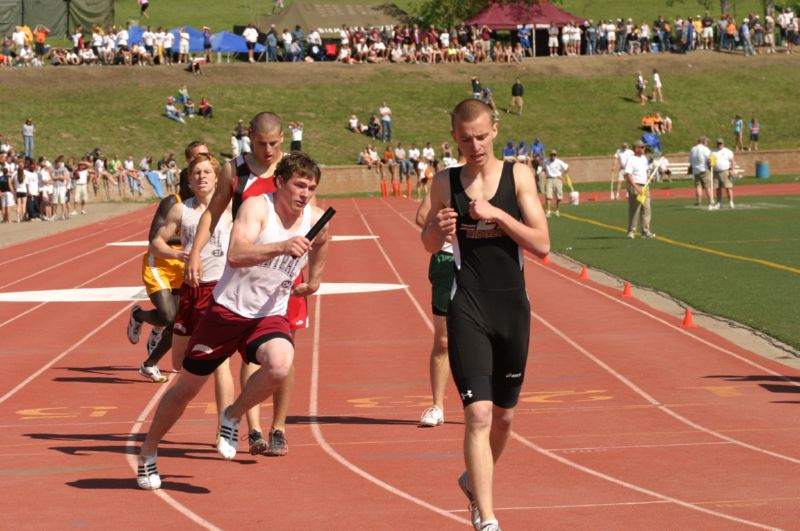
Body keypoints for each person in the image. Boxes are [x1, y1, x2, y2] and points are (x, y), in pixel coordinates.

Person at [137, 152, 329, 491]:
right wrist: (283, 246)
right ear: (280, 182)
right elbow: (237, 255)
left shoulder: (314, 218)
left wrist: (315, 279)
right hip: (226, 311)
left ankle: (233, 414)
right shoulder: (257, 208)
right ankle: (149, 453)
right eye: (299, 186)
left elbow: (323, 240)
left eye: (311, 188)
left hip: (268, 314)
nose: (305, 194)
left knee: (281, 365)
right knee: (186, 389)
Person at [421, 98, 549, 531]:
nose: (473, 146)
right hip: (468, 306)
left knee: (505, 417)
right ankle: (488, 518)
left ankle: (473, 481)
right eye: (463, 139)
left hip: (512, 308)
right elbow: (426, 239)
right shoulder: (446, 181)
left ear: (494, 130)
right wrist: (436, 230)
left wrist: (496, 214)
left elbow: (542, 243)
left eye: (480, 136)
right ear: (453, 137)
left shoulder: (519, 176)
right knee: (477, 413)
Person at [186, 112, 312, 457]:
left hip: (287, 274)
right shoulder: (235, 170)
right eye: (260, 143)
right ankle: (252, 427)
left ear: (283, 138)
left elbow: (311, 218)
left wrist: (313, 275)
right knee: (250, 353)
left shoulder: (295, 168)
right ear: (249, 138)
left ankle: (279, 428)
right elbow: (212, 212)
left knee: (284, 351)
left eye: (273, 144)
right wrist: (196, 252)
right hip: (247, 273)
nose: (267, 150)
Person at [150, 152, 236, 434]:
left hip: (220, 289)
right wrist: (180, 254)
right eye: (196, 173)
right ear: (189, 179)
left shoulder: (232, 208)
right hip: (191, 289)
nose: (201, 177)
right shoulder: (181, 210)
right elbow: (156, 244)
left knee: (220, 362)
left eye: (207, 172)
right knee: (179, 362)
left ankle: (226, 426)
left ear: (217, 178)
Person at [126, 141, 210, 383]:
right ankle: (140, 316)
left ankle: (150, 363)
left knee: (178, 321)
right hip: (160, 264)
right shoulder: (172, 203)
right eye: (191, 182)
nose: (196, 185)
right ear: (184, 183)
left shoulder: (203, 204)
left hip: (183, 267)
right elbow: (153, 239)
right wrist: (179, 250)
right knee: (169, 316)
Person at [415, 186, 456, 428]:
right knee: (443, 341)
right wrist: (447, 235)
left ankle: (487, 401)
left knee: (485, 334)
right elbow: (421, 216)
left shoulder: (492, 178)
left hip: (481, 263)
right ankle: (437, 406)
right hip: (446, 261)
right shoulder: (447, 178)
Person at [624, 140, 656, 239]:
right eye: (642, 147)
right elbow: (628, 175)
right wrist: (636, 187)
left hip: (645, 187)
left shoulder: (644, 159)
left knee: (647, 209)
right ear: (636, 148)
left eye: (644, 147)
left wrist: (649, 177)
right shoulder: (631, 159)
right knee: (635, 209)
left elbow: (645, 172)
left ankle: (645, 231)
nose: (644, 149)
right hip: (636, 186)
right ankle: (631, 231)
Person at [689, 136, 716, 210]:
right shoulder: (705, 149)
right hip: (704, 169)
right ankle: (711, 200)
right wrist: (711, 164)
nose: (707, 143)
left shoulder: (693, 149)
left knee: (698, 186)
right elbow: (710, 158)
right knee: (708, 186)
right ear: (703, 141)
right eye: (706, 141)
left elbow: (690, 160)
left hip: (696, 170)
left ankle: (699, 201)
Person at [543, 149, 569, 217]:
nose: (553, 156)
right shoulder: (546, 161)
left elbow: (567, 168)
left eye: (554, 155)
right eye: (552, 155)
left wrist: (563, 175)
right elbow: (543, 168)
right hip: (549, 179)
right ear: (550, 155)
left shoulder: (559, 162)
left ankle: (557, 210)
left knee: (559, 197)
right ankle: (548, 211)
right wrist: (546, 174)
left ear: (556, 155)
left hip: (557, 180)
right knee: (548, 196)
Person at [712, 138, 736, 208]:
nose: (719, 145)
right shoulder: (713, 152)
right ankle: (719, 203)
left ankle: (731, 202)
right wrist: (710, 164)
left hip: (725, 171)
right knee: (718, 188)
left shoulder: (728, 151)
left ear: (723, 144)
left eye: (721, 143)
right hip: (716, 172)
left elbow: (733, 161)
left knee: (728, 187)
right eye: (718, 144)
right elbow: (712, 162)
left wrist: (733, 170)